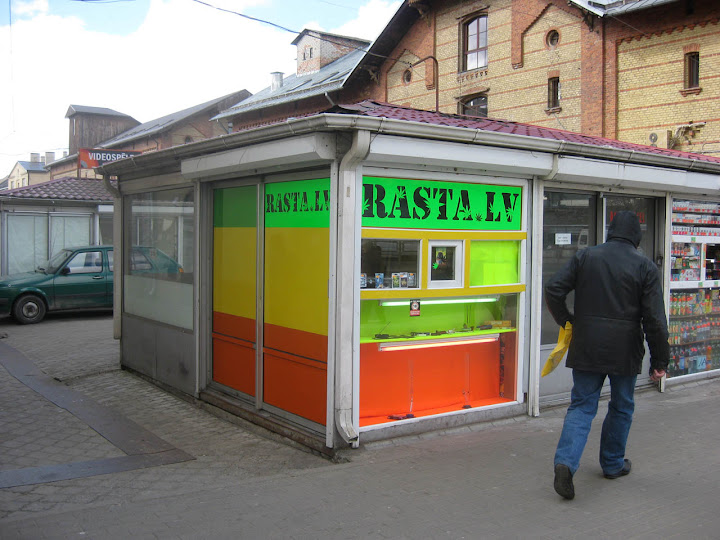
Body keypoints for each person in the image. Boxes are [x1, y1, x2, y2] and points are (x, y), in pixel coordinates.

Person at [544, 211, 669, 500]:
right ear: (636, 236)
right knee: (621, 406)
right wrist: (660, 361)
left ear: (610, 232)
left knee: (582, 407)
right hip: (625, 351)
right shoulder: (646, 267)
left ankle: (565, 462)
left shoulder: (586, 257)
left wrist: (567, 320)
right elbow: (655, 320)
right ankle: (612, 464)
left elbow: (553, 289)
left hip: (587, 345)